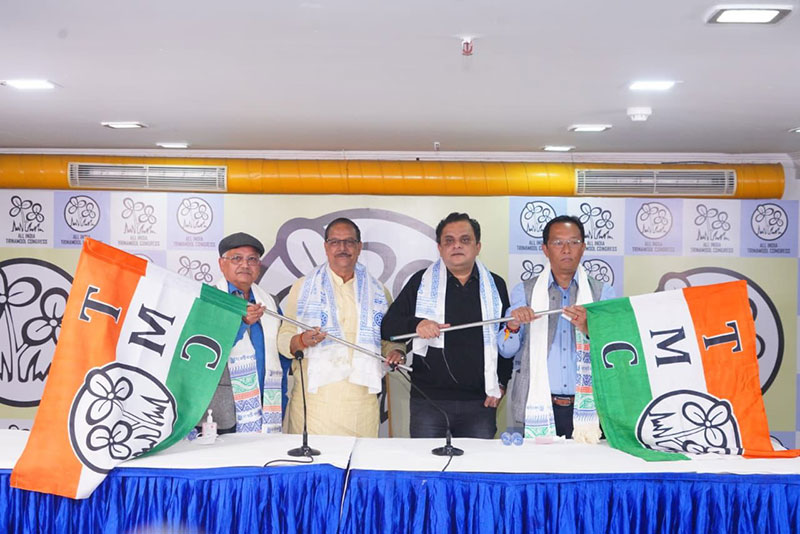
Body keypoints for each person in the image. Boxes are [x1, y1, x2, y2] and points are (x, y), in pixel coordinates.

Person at [381, 212, 512, 439]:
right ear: (440, 248)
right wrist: (417, 324)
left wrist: (501, 383)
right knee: (426, 461)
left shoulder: (496, 285)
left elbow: (506, 338)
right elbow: (388, 327)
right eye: (449, 241)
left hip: (480, 402)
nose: (456, 246)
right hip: (428, 401)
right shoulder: (420, 282)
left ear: (478, 246)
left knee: (477, 463)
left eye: (465, 240)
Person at [277, 217, 405, 438]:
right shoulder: (303, 287)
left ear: (359, 247)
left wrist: (395, 351)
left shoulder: (378, 291)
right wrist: (301, 340)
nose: (342, 248)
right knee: (314, 458)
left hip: (362, 401)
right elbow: (284, 336)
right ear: (326, 247)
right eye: (335, 242)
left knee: (358, 458)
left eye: (349, 242)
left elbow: (388, 339)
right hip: (315, 401)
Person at [499, 215, 615, 441]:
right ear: (545, 249)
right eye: (558, 242)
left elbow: (613, 349)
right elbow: (506, 350)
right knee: (540, 464)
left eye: (574, 242)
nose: (566, 249)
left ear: (583, 248)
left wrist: (589, 328)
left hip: (589, 406)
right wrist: (512, 326)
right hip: (538, 402)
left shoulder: (603, 292)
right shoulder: (525, 291)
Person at [206, 232, 289, 434]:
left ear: (258, 266)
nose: (245, 265)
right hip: (221, 411)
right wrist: (241, 323)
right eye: (237, 258)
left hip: (266, 403)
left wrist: (281, 394)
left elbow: (280, 355)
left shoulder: (270, 302)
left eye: (252, 259)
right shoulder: (207, 299)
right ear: (221, 263)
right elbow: (204, 350)